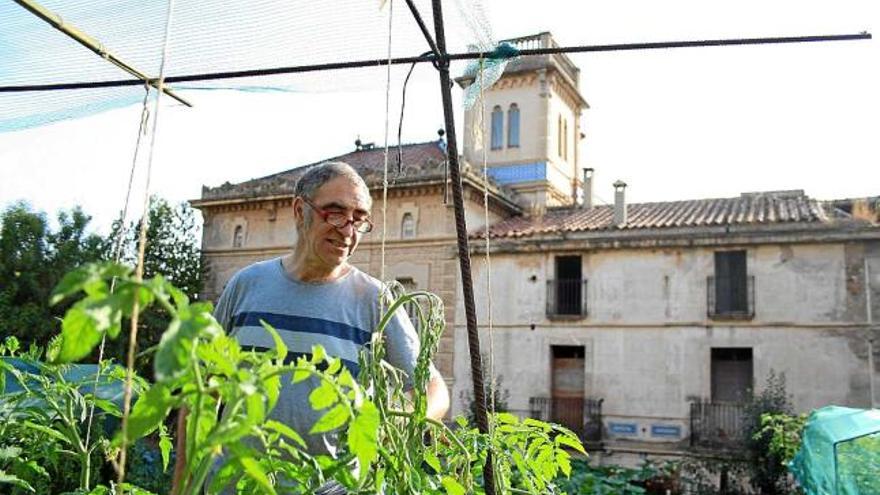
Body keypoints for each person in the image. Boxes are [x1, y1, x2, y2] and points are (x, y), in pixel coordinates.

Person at [171, 162, 449, 494]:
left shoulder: (375, 301)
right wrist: (183, 486)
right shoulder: (246, 286)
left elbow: (434, 390)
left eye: (359, 219)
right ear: (299, 210)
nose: (348, 230)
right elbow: (202, 392)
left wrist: (390, 423)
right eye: (334, 213)